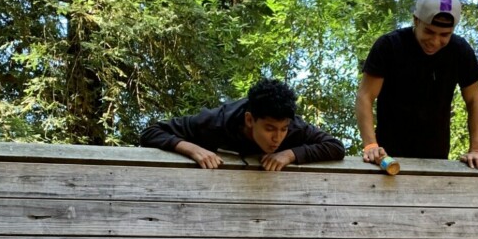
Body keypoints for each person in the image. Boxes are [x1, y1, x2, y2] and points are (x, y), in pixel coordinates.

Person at [356, 0, 478, 170]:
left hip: (436, 159)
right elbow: (365, 96)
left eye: (444, 35)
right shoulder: (389, 46)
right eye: (429, 31)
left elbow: (475, 100)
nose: (435, 41)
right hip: (387, 158)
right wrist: (371, 145)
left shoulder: (460, 51)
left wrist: (475, 150)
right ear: (416, 20)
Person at [139, 78, 345, 171]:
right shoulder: (214, 122)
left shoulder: (294, 127)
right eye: (270, 129)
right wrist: (192, 149)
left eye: (283, 129)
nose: (277, 137)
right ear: (249, 120)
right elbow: (151, 132)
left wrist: (290, 154)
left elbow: (335, 147)